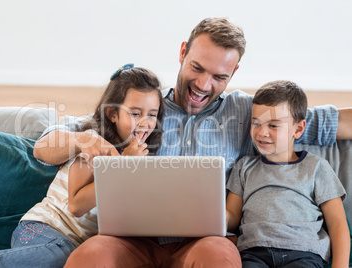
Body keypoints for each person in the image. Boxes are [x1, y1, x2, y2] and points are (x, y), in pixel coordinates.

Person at [35, 18, 352, 267]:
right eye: (197, 68)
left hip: (203, 244)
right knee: (91, 256)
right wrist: (82, 138)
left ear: (234, 72)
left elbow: (328, 121)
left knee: (220, 256)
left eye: (219, 76)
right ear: (182, 52)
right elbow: (44, 148)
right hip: (130, 241)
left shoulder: (249, 114)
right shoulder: (142, 106)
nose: (203, 85)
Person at [0, 65, 164, 268]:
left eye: (152, 114)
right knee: (60, 255)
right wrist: (121, 167)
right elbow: (76, 205)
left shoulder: (139, 159)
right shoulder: (93, 147)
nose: (145, 122)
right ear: (113, 114)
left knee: (74, 256)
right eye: (135, 113)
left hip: (75, 246)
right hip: (41, 230)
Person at [226, 80, 350, 267]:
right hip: (254, 252)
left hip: (303, 252)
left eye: (273, 126)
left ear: (298, 129)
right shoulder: (243, 167)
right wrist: (208, 214)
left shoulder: (316, 168)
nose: (262, 132)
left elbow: (337, 223)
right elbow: (232, 218)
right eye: (256, 123)